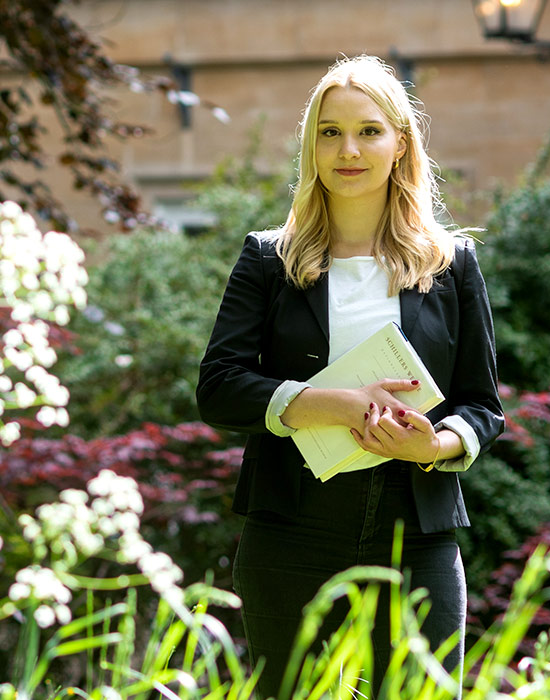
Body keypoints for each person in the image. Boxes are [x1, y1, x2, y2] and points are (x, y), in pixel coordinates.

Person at [195, 55, 503, 697]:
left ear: (400, 143)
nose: (349, 149)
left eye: (368, 131)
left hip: (416, 534)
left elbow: (481, 405)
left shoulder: (453, 264)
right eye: (329, 132)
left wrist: (436, 446)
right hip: (290, 532)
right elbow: (219, 387)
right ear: (311, 147)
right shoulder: (268, 259)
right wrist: (329, 403)